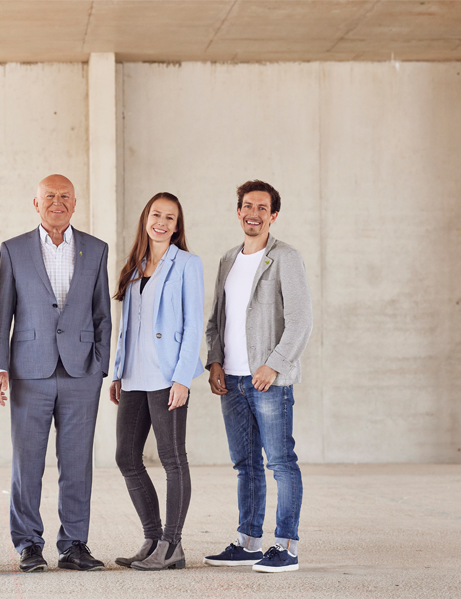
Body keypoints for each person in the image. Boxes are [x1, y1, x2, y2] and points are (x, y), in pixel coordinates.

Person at [0, 174, 111, 572]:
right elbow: (0, 313)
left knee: (77, 463)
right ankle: (27, 544)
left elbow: (102, 314)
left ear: (75, 204)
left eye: (65, 197)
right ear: (36, 204)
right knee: (28, 464)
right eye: (49, 197)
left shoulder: (95, 249)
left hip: (81, 373)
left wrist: (101, 366)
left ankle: (74, 544)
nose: (57, 202)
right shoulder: (14, 250)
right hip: (28, 371)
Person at [203, 180, 312, 573]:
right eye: (247, 206)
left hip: (269, 381)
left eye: (262, 208)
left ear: (273, 215)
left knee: (281, 462)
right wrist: (214, 361)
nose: (254, 213)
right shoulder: (228, 259)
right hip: (230, 380)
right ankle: (248, 542)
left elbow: (301, 320)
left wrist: (275, 363)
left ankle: (285, 546)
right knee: (245, 465)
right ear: (238, 211)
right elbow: (217, 320)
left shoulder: (286, 257)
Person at [109, 193, 205, 571]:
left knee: (171, 458)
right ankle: (152, 538)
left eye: (170, 217)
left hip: (167, 377)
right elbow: (127, 326)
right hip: (134, 376)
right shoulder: (135, 265)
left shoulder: (187, 264)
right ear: (145, 218)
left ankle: (173, 544)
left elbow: (193, 323)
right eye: (156, 214)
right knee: (127, 456)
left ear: (177, 226)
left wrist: (182, 379)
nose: (161, 222)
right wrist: (118, 371)